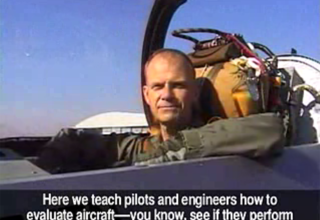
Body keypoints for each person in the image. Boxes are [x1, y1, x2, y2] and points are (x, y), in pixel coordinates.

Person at [36, 49, 284, 173]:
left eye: (177, 85)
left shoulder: (217, 136)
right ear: (146, 94)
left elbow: (270, 130)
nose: (166, 94)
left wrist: (176, 149)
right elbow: (73, 142)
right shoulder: (145, 146)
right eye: (157, 86)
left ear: (195, 92)